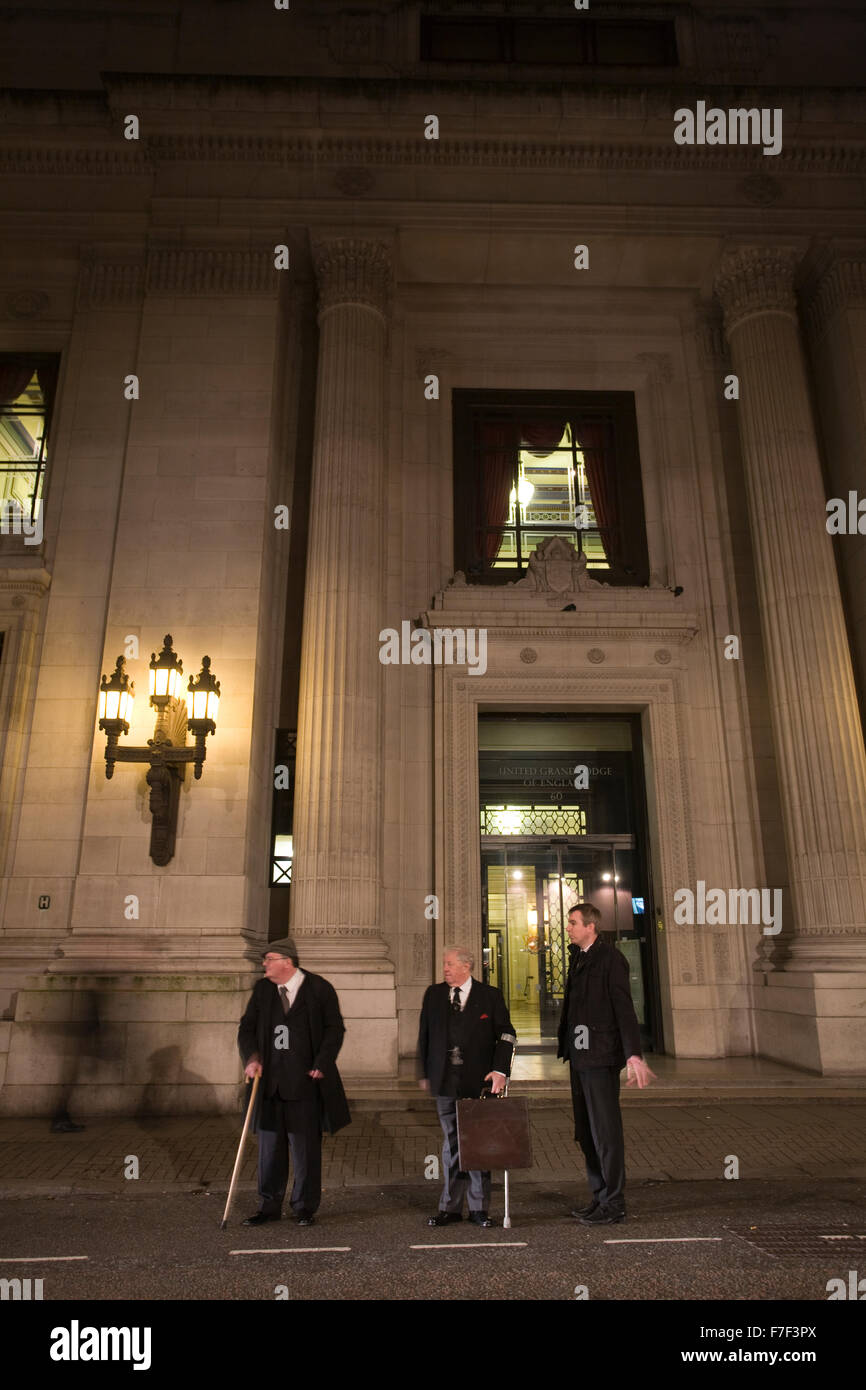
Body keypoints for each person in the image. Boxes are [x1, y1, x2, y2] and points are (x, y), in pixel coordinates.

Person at [237, 936, 350, 1227]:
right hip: (270, 1085)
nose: (264, 964)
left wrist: (322, 1063)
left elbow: (334, 1029)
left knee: (305, 1150)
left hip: (305, 1085)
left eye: (269, 959)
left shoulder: (318, 988)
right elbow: (247, 1027)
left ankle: (304, 1207)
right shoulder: (263, 990)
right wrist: (251, 1057)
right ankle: (268, 1205)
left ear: (287, 962)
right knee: (269, 1150)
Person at [557, 902, 656, 1225]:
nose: (568, 927)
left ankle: (613, 1202)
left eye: (573, 923)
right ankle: (599, 1196)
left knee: (605, 1133)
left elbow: (624, 1009)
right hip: (581, 1058)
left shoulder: (610, 959)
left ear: (591, 927)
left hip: (601, 1058)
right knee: (586, 1132)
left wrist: (633, 1054)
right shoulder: (579, 958)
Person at [417, 945, 516, 1228]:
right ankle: (449, 1207)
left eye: (449, 964)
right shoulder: (434, 995)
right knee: (451, 1144)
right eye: (444, 964)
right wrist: (425, 1072)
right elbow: (424, 1035)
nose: (445, 969)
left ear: (466, 966)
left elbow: (507, 1034)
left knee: (478, 1143)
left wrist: (501, 1071)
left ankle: (478, 1208)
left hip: (478, 1082)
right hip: (445, 1081)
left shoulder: (490, 996)